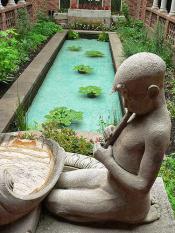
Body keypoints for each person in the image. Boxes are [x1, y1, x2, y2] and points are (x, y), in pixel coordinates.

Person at [45, 52, 171, 224]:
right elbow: (129, 139)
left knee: (53, 201)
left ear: (152, 92)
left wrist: (107, 160)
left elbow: (142, 186)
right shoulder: (141, 108)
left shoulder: (157, 131)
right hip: (109, 180)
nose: (125, 104)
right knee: (56, 180)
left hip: (125, 200)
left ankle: (133, 216)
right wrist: (113, 131)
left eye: (129, 97)